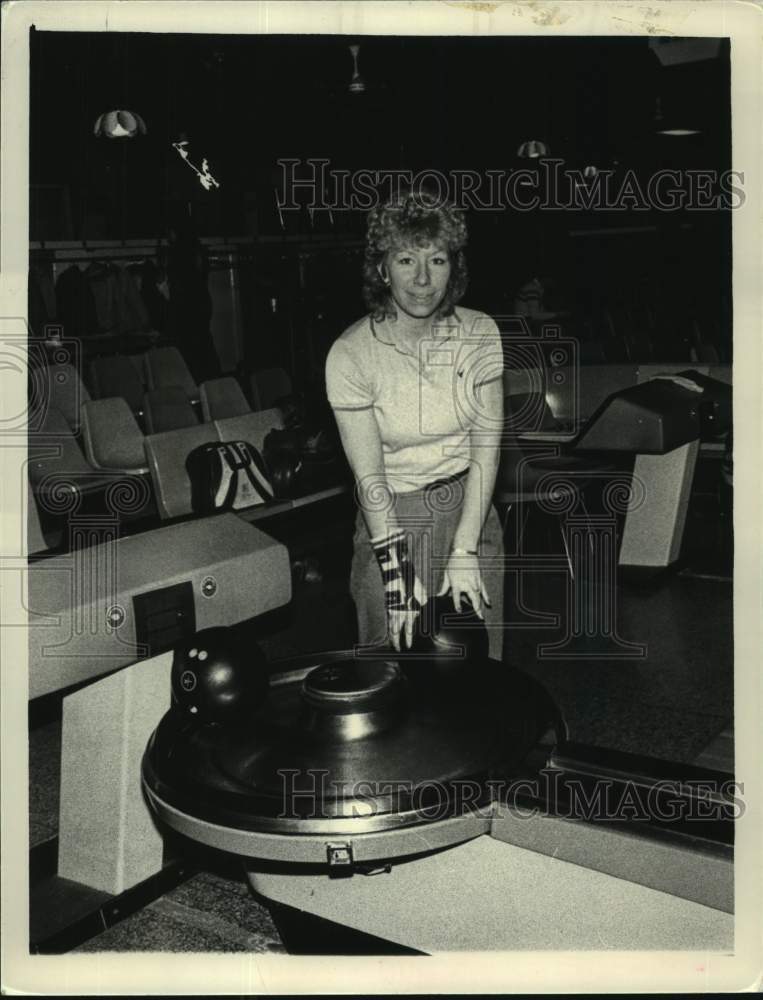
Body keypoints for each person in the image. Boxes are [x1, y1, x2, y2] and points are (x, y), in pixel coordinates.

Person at [325, 188, 505, 658]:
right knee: (390, 681)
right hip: (391, 520)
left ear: (454, 267)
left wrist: (465, 549)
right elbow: (369, 478)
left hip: (472, 510)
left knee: (482, 675)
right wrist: (397, 570)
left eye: (437, 261)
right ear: (382, 268)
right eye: (407, 260)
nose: (423, 279)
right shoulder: (350, 354)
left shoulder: (481, 333)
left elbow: (487, 449)